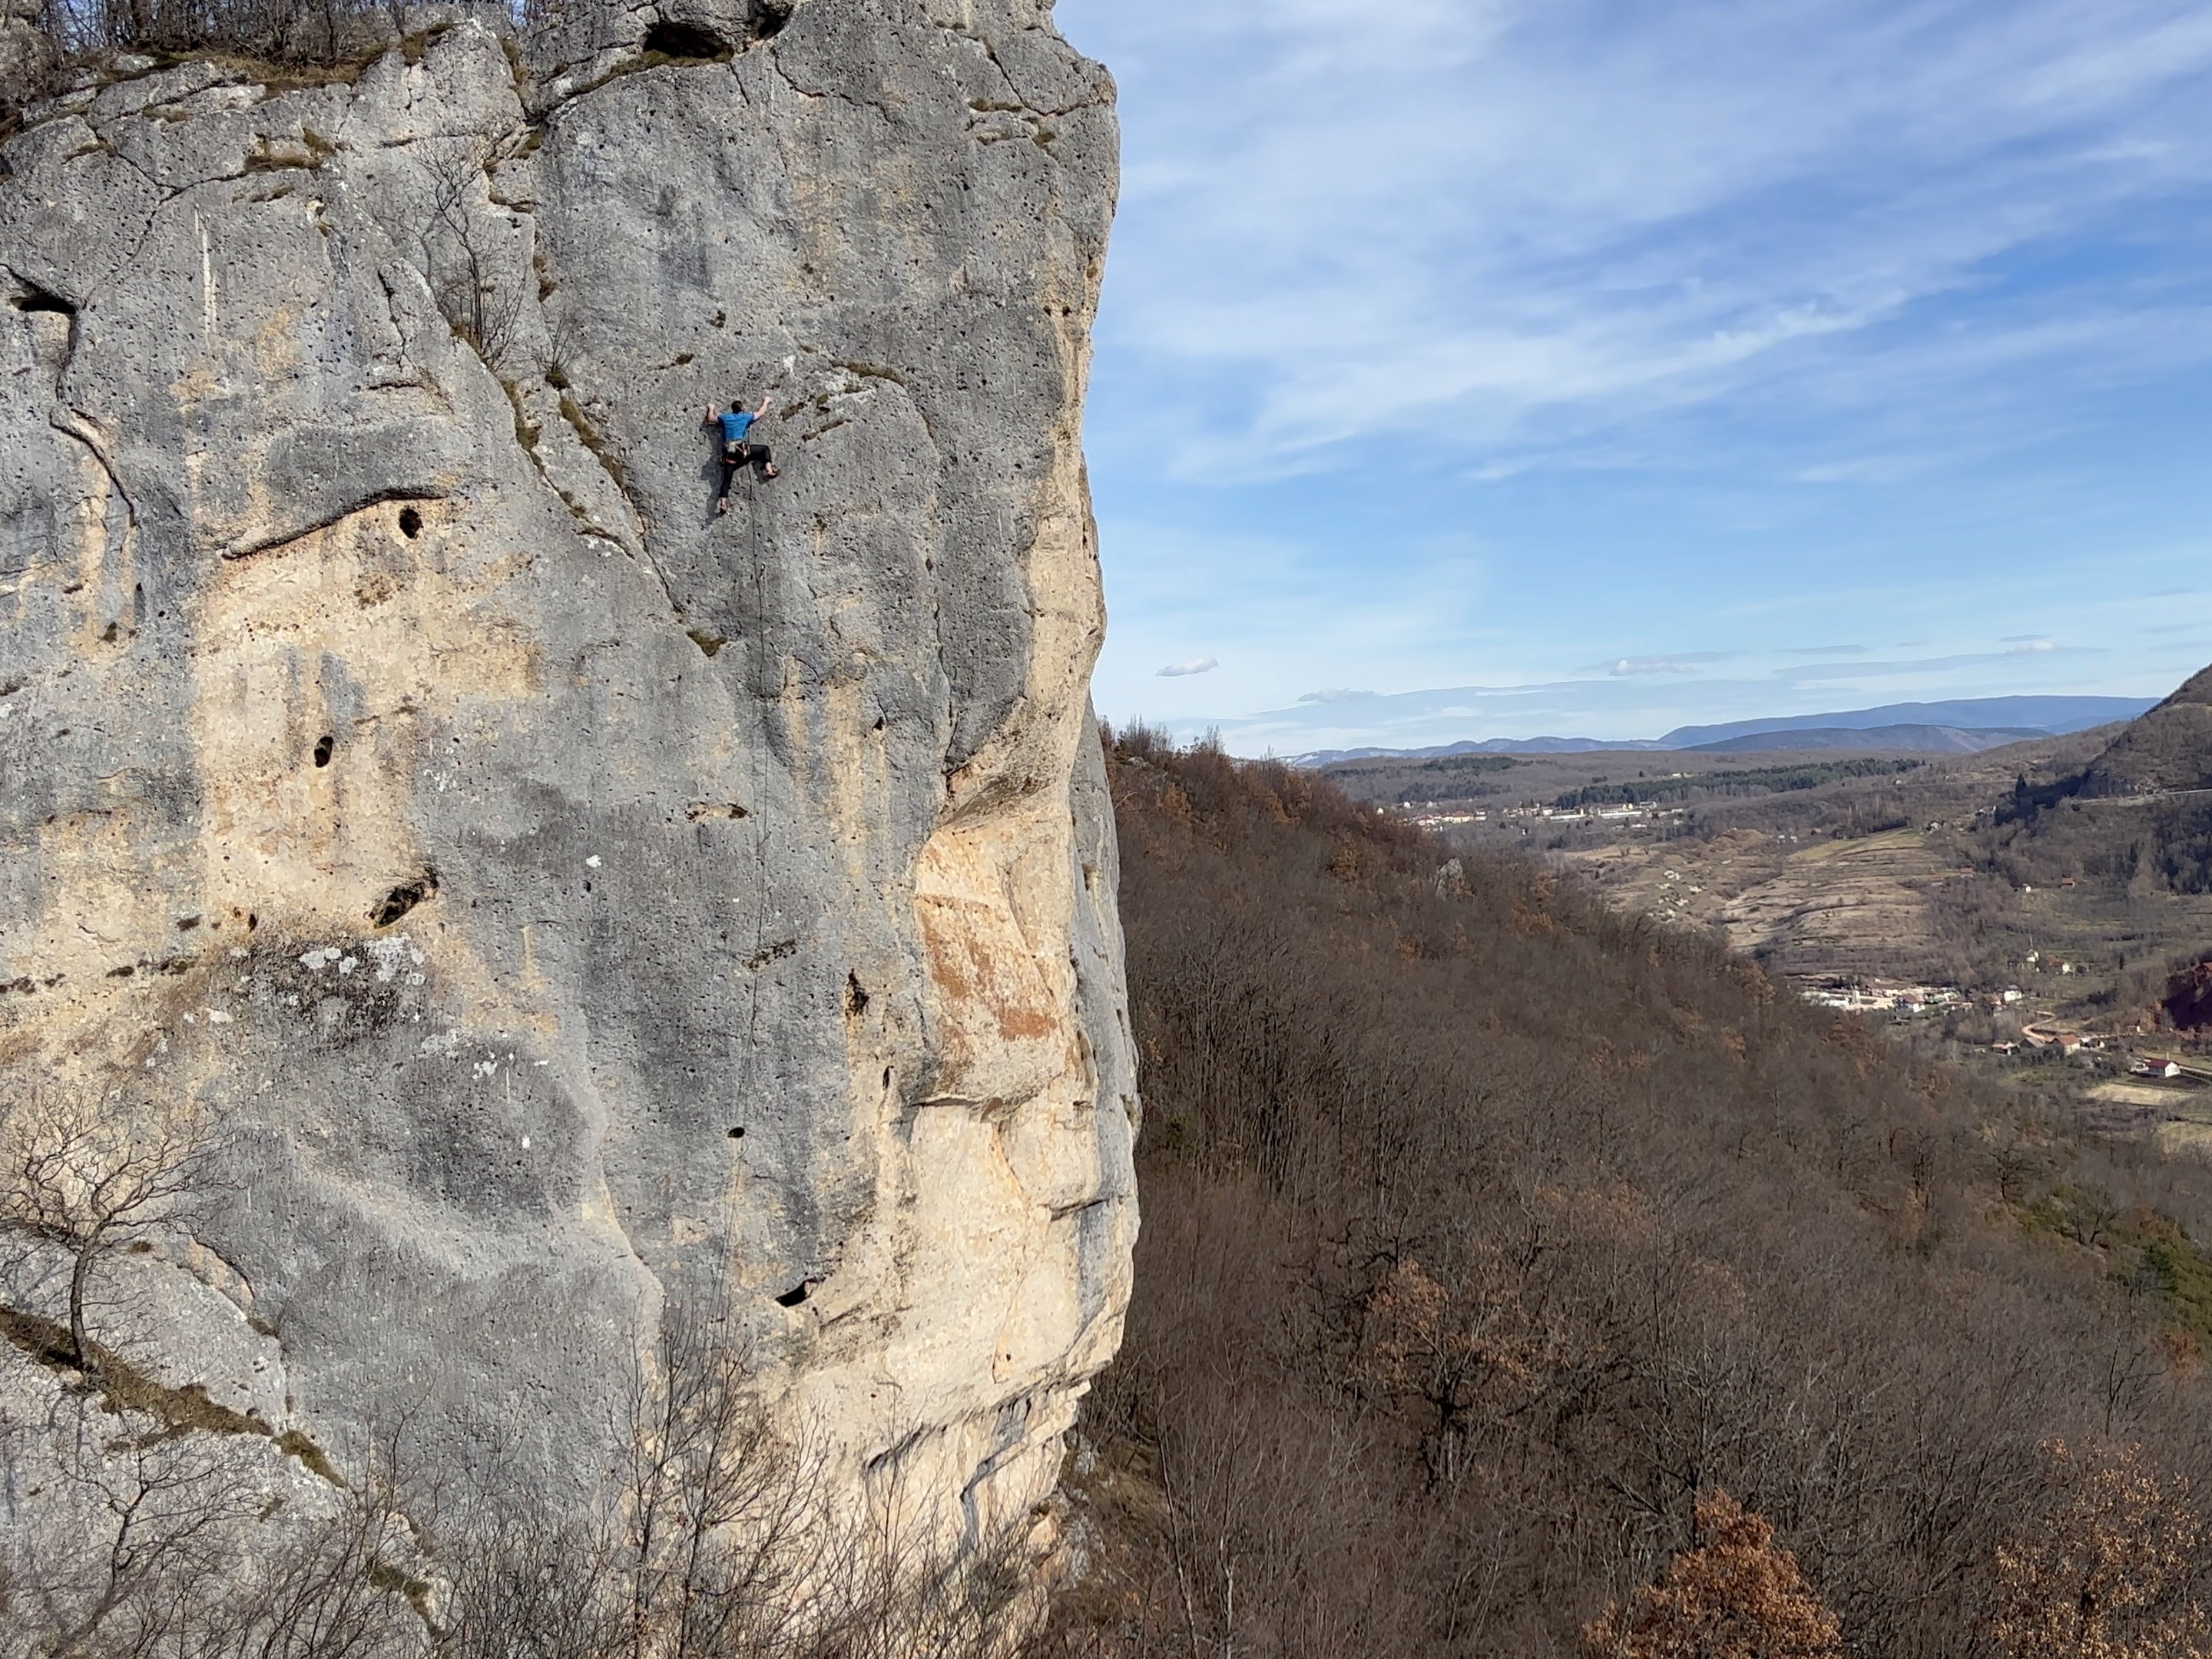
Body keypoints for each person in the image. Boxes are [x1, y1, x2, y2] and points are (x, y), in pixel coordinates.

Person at [707, 398, 778, 511]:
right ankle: (768, 470)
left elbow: (711, 418)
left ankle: (723, 502)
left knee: (727, 478)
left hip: (730, 455)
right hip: (742, 452)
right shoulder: (745, 417)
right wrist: (766, 401)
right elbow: (760, 413)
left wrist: (711, 408)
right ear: (742, 409)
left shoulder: (725, 418)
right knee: (764, 449)